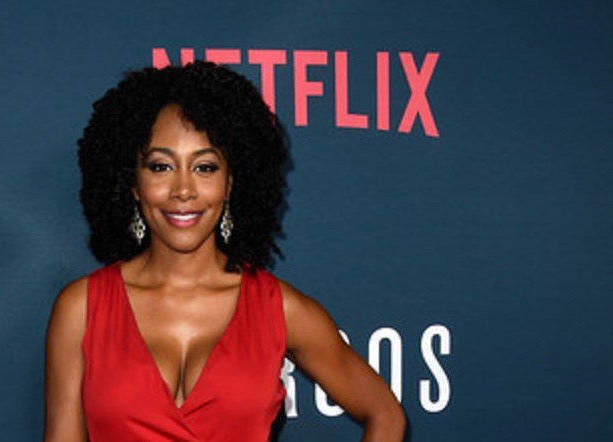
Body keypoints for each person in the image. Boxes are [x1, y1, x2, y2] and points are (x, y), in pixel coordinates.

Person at [44, 60, 406, 441]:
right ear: (133, 182)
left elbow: (385, 414)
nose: (183, 190)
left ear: (231, 182)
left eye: (204, 168)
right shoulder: (80, 309)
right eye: (161, 166)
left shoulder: (278, 309)